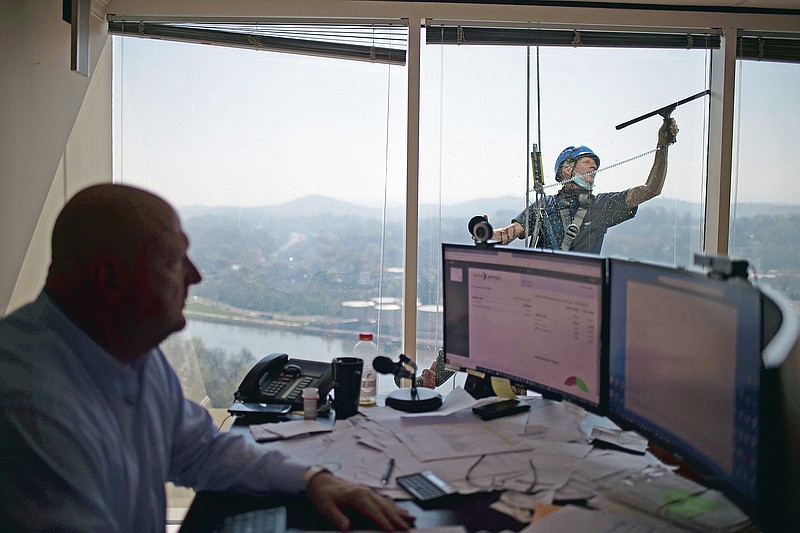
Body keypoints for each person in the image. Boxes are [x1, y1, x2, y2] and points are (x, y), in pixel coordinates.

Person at [0, 184, 414, 532]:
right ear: (109, 278)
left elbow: (201, 450)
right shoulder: (29, 406)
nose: (195, 275)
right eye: (174, 260)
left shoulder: (129, 352)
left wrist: (311, 479)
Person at [491, 117, 679, 254]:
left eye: (594, 163)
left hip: (581, 295)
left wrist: (663, 146)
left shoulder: (602, 205)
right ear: (567, 168)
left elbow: (651, 189)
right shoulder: (544, 206)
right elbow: (509, 234)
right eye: (587, 162)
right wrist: (487, 233)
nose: (594, 166)